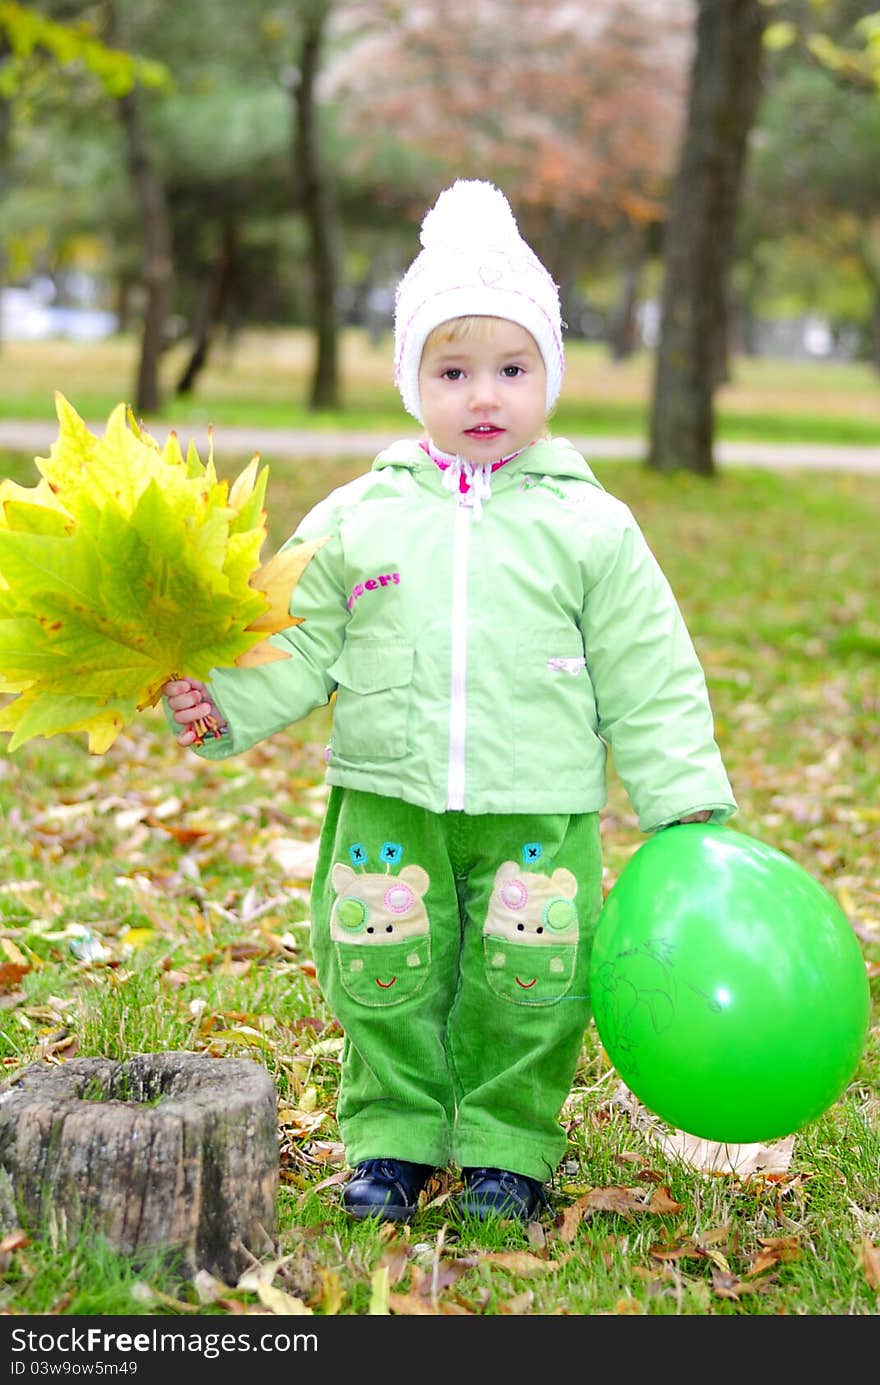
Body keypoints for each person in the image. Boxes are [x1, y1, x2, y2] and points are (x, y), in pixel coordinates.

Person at [164, 179, 736, 1225]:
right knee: (383, 971)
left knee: (531, 982)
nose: (485, 395)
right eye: (454, 369)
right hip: (390, 792)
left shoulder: (590, 526)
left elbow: (647, 667)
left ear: (547, 376)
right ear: (412, 379)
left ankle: (506, 1145)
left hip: (537, 803)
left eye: (513, 369)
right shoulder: (359, 514)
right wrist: (226, 704)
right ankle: (392, 1136)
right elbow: (294, 636)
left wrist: (682, 795)